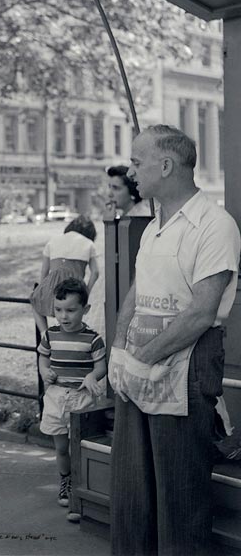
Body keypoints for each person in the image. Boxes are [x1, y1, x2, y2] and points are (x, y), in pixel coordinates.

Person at [108, 125, 241, 556]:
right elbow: (136, 290)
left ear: (165, 165)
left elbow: (202, 312)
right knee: (133, 489)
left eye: (136, 162)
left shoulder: (214, 225)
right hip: (137, 364)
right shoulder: (155, 225)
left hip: (187, 368)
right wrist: (119, 350)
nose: (131, 172)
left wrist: (141, 359)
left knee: (179, 493)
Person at [38, 278, 106, 516]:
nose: (63, 316)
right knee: (61, 448)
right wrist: (44, 371)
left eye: (70, 310)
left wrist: (92, 377)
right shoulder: (50, 334)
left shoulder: (93, 338)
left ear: (85, 310)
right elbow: (44, 357)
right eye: (58, 310)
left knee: (80, 448)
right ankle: (66, 481)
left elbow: (101, 365)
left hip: (81, 398)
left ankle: (81, 488)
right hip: (56, 396)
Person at [30, 215, 99, 336]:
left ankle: (44, 333)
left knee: (35, 301)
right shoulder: (88, 244)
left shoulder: (53, 241)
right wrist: (87, 290)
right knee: (70, 313)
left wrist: (43, 290)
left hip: (53, 284)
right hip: (75, 285)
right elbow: (95, 272)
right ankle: (69, 337)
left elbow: (44, 271)